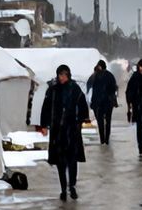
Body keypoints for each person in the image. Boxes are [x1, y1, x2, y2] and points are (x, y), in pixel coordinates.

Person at [41, 65, 90, 200]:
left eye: (64, 75)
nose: (61, 77)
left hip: (72, 130)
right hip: (58, 131)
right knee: (60, 161)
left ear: (68, 75)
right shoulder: (53, 90)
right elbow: (46, 107)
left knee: (72, 160)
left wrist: (80, 120)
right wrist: (44, 124)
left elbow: (83, 106)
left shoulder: (75, 89)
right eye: (59, 75)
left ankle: (72, 186)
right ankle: (63, 188)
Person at [86, 60, 120, 146]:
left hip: (105, 102)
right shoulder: (96, 75)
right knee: (103, 122)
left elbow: (114, 87)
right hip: (100, 102)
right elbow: (88, 86)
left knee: (105, 121)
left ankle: (105, 140)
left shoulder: (106, 75)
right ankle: (104, 140)